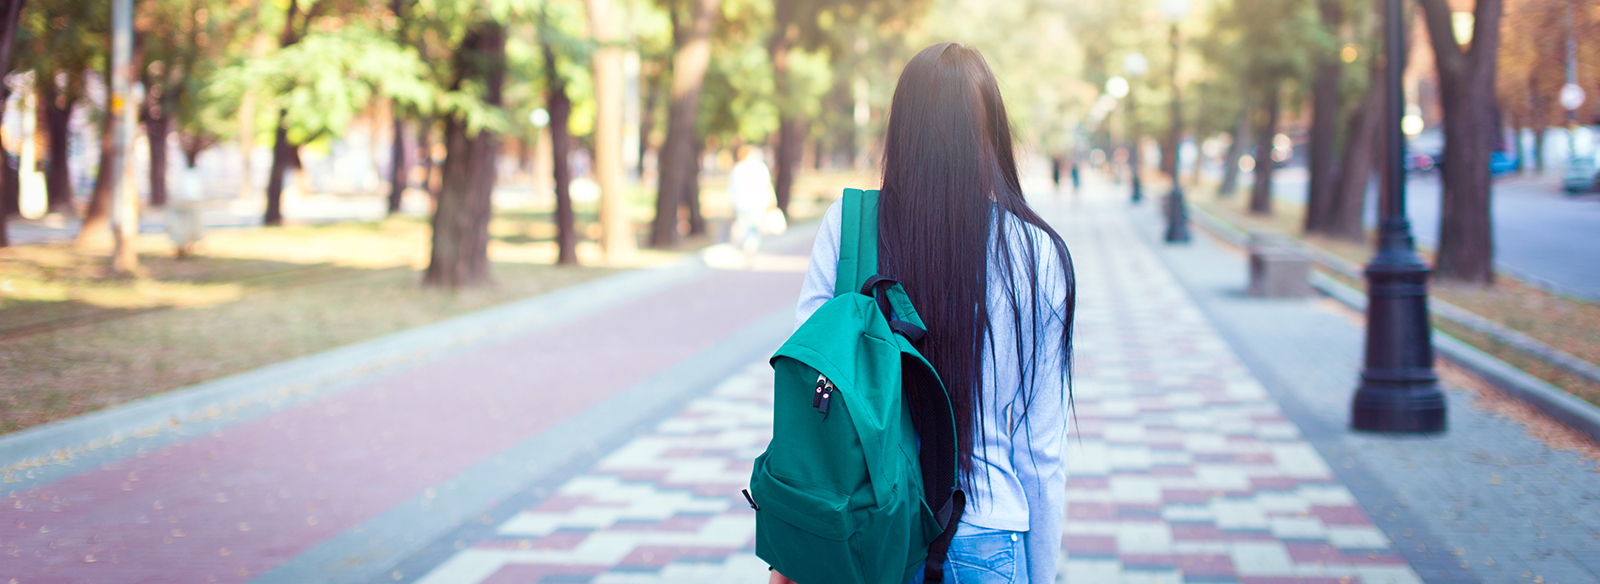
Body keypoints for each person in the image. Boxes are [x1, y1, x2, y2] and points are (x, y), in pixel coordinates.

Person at [776, 42, 1075, 584]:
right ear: (991, 135)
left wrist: (793, 548)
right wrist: (1043, 573)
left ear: (902, 129)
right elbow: (1041, 453)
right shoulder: (1035, 253)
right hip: (987, 538)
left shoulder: (850, 226)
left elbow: (809, 398)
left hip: (866, 537)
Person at [727, 145, 777, 254]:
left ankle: (746, 245)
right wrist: (772, 199)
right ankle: (750, 247)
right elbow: (767, 185)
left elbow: (731, 189)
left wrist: (731, 205)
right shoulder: (759, 167)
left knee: (745, 227)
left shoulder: (736, 169)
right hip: (757, 204)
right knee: (754, 229)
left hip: (741, 205)